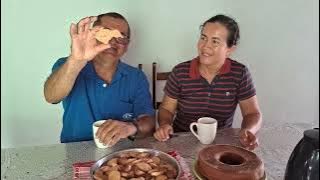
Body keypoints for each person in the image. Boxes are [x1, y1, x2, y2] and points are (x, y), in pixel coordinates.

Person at [44, 12, 155, 146]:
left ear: (126, 45)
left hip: (121, 154)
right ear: (92, 36)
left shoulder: (136, 77)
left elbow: (148, 122)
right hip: (75, 151)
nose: (113, 42)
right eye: (105, 34)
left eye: (120, 36)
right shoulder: (68, 66)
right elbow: (51, 96)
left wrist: (131, 127)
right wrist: (76, 61)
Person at [153, 14, 262, 150]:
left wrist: (249, 130)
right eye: (203, 38)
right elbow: (166, 109)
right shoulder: (180, 72)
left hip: (221, 143)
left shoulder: (239, 73)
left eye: (215, 41)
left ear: (230, 49)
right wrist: (165, 124)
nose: (205, 46)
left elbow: (252, 113)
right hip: (182, 142)